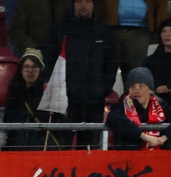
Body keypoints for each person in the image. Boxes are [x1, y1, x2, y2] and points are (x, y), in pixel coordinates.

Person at [41, 0, 119, 148]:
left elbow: (112, 62)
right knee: (61, 146)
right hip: (65, 101)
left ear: (93, 4)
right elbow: (49, 58)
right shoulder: (59, 28)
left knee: (89, 147)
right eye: (79, 1)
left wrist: (103, 88)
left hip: (93, 102)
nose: (84, 5)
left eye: (88, 1)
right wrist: (57, 87)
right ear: (73, 4)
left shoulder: (104, 30)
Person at [105, 67, 171, 149]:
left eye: (141, 86)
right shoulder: (122, 105)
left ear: (150, 90)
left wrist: (163, 138)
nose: (136, 90)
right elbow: (114, 119)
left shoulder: (161, 105)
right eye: (132, 87)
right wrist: (144, 137)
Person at [96, 0, 168, 88]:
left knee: (136, 75)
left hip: (140, 32)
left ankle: (134, 100)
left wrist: (163, 29)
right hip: (109, 29)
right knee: (104, 71)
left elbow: (161, 7)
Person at [3, 48, 64, 150]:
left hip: (42, 148)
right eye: (26, 67)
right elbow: (8, 120)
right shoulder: (14, 90)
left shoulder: (48, 92)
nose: (30, 70)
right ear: (21, 70)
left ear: (41, 69)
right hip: (16, 148)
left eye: (34, 66)